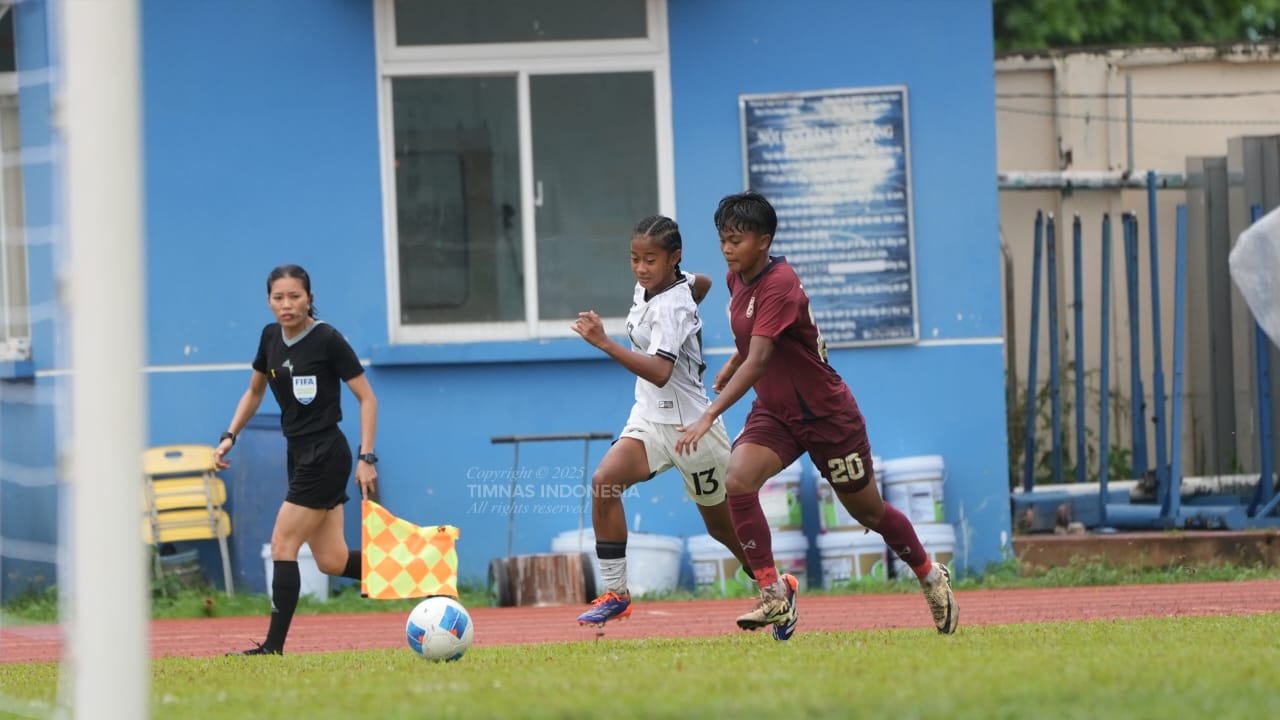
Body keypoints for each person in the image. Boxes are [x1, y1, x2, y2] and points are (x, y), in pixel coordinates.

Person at [675, 191, 958, 638]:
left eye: (736, 240)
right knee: (738, 481)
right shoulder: (736, 279)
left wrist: (709, 415)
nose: (727, 249)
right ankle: (774, 594)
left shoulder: (780, 282)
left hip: (827, 416)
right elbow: (755, 340)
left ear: (764, 241)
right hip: (776, 413)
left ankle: (929, 575)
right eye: (722, 239)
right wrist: (732, 361)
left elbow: (761, 358)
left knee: (869, 513)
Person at [570, 215, 755, 629]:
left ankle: (772, 583)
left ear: (674, 257)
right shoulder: (658, 286)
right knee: (604, 482)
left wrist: (604, 343)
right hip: (649, 419)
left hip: (693, 428)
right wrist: (689, 299)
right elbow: (704, 282)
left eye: (650, 260)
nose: (640, 268)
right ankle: (617, 594)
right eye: (634, 258)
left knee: (722, 529)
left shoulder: (672, 306)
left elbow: (659, 371)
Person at [214, 264, 379, 655]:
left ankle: (272, 647)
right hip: (298, 453)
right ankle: (426, 572)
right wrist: (229, 435)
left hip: (326, 454)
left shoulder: (327, 339)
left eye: (294, 296)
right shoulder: (270, 337)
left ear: (309, 298)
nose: (286, 304)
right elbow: (254, 392)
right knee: (333, 561)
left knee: (282, 543)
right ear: (269, 301)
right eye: (278, 297)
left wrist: (366, 457)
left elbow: (368, 399)